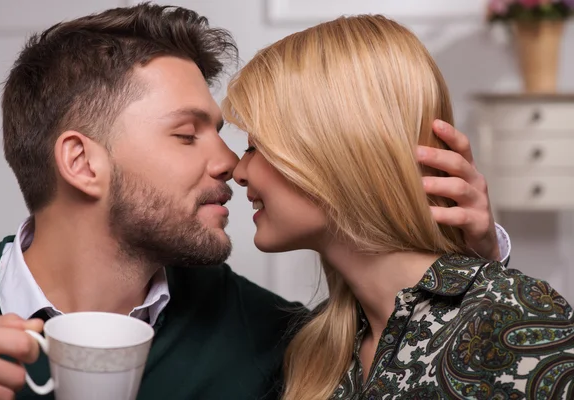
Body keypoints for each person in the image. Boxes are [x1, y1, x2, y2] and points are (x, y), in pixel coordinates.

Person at [0, 4, 505, 400]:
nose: (231, 162)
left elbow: (424, 352)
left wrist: (476, 260)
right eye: (187, 135)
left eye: (224, 133)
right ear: (82, 163)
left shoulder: (280, 339)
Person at [224, 14, 574, 400]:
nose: (239, 172)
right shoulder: (319, 351)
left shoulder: (513, 317)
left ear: (331, 151)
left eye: (256, 146)